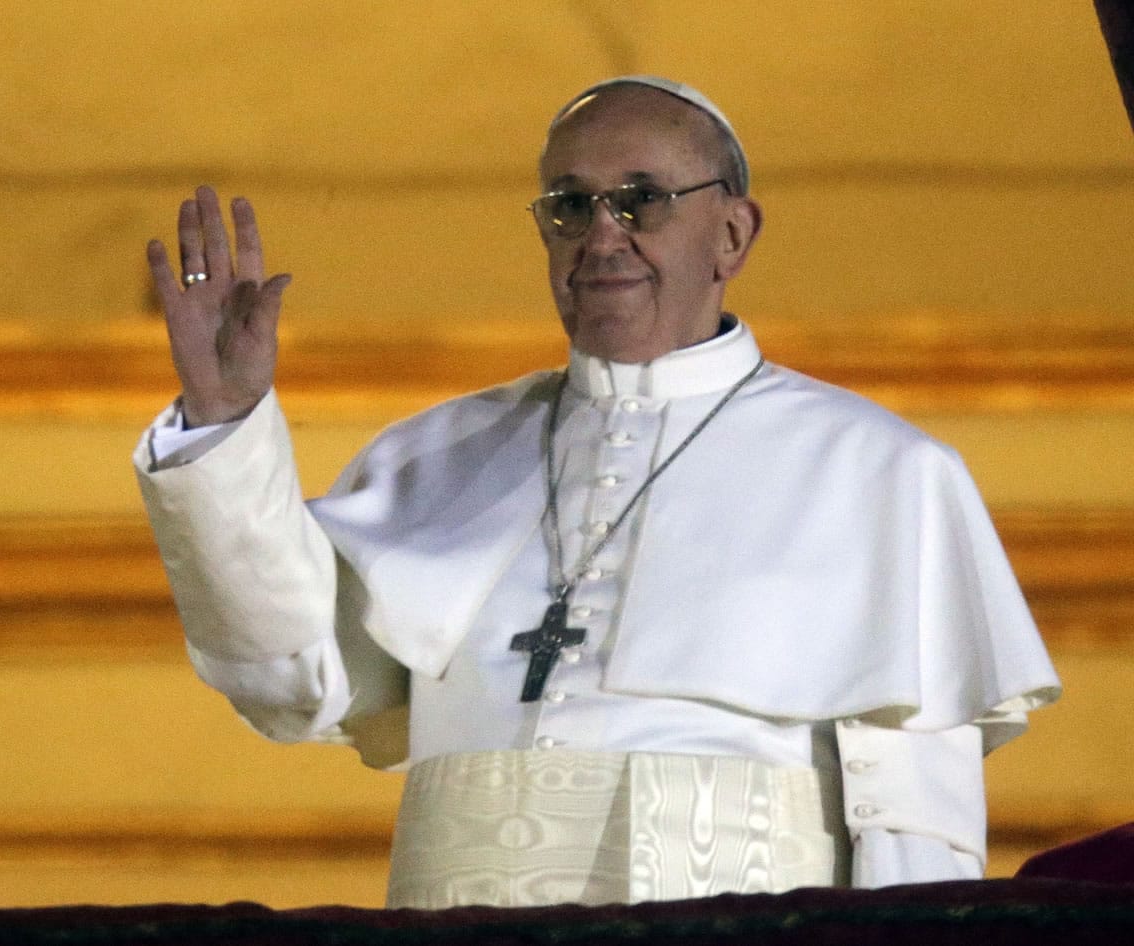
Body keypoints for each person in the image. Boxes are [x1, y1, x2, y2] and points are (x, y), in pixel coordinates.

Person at [134, 76, 1060, 908]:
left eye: (640, 202)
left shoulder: (881, 473)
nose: (601, 235)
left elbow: (913, 821)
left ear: (731, 233)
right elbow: (286, 677)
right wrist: (226, 421)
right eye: (569, 207)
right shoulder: (436, 457)